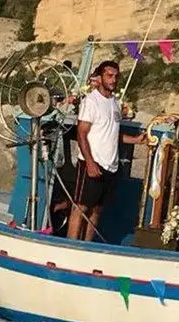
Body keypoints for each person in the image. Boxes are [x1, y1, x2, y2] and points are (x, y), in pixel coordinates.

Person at [67, 60, 147, 241]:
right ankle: (71, 245)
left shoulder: (115, 103)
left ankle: (86, 245)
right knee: (80, 207)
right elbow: (81, 133)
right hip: (92, 162)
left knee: (97, 209)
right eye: (109, 76)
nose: (113, 80)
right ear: (101, 77)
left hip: (110, 165)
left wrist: (135, 140)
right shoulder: (91, 101)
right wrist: (89, 162)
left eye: (116, 76)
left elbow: (112, 133)